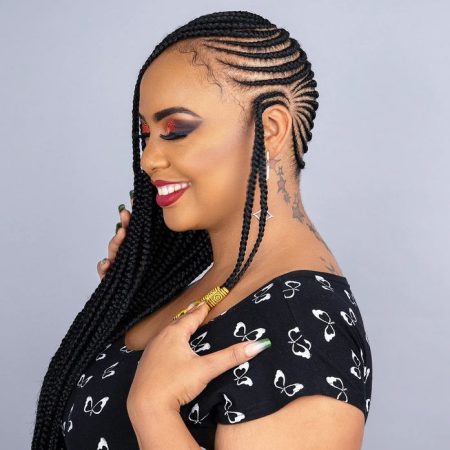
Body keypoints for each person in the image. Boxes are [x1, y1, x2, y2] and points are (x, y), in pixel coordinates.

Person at [32, 10, 373, 449]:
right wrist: (140, 292)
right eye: (146, 133)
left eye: (176, 130)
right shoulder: (215, 285)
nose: (148, 159)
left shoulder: (303, 328)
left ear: (270, 130)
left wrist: (153, 409)